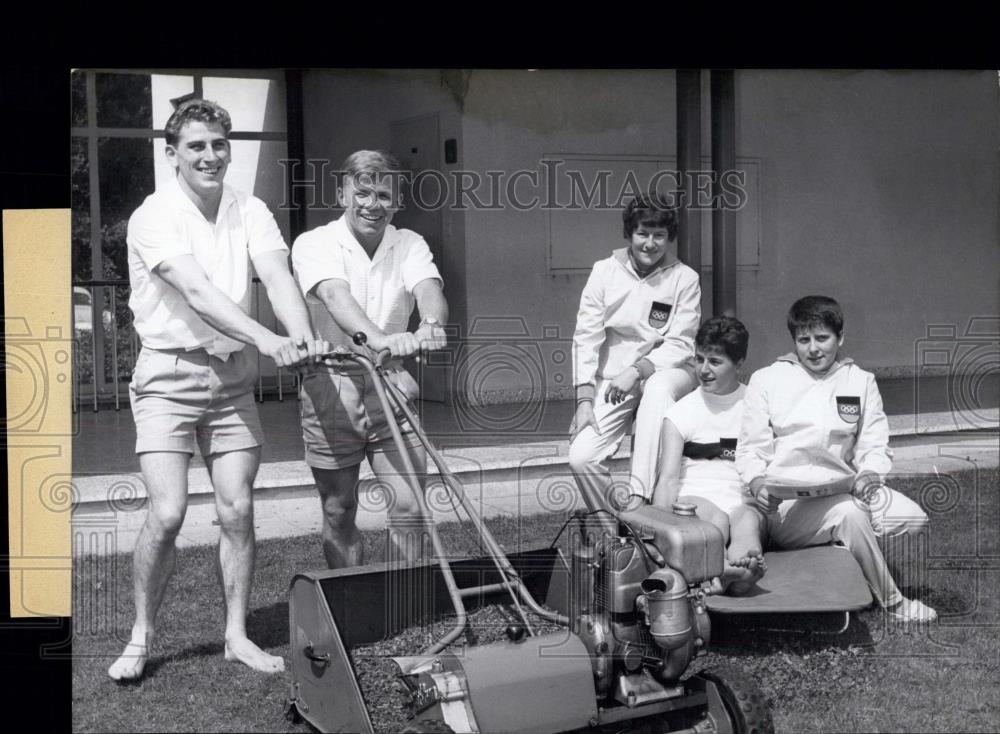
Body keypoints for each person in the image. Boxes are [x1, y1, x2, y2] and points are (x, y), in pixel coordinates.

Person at [109, 99, 327, 681]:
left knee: (238, 509)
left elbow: (279, 275)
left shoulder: (249, 207)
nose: (210, 156)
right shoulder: (153, 215)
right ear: (173, 153)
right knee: (170, 511)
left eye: (219, 145)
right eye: (197, 145)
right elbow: (199, 294)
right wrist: (268, 339)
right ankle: (141, 636)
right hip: (167, 375)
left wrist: (302, 339)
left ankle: (236, 635)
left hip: (231, 381)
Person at [736, 295, 937, 622]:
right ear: (794, 342)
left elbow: (874, 443)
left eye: (822, 338)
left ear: (840, 338)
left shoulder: (860, 381)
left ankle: (848, 560)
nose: (813, 348)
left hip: (847, 489)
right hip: (787, 507)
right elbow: (749, 449)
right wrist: (758, 482)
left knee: (910, 518)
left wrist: (869, 474)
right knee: (849, 516)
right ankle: (894, 602)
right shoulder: (767, 379)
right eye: (804, 340)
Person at [291, 150, 448, 568]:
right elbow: (334, 296)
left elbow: (428, 287)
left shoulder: (409, 243)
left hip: (391, 384)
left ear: (397, 202)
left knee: (411, 507)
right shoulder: (315, 243)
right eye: (362, 193)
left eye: (384, 195)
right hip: (332, 383)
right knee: (339, 511)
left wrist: (430, 324)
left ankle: (406, 604)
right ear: (343, 192)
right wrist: (381, 340)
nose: (372, 204)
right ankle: (352, 601)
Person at [569, 193, 700, 509]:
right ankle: (617, 528)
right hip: (615, 381)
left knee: (656, 387)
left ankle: (640, 500)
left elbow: (681, 342)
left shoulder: (685, 278)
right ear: (630, 233)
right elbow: (586, 336)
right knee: (581, 458)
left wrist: (638, 369)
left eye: (659, 235)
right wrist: (585, 400)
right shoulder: (604, 271)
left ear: (669, 237)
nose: (650, 243)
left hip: (669, 373)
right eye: (643, 233)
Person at [652, 316, 766, 595]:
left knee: (746, 521)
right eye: (699, 359)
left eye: (715, 362)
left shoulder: (756, 405)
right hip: (697, 498)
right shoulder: (682, 411)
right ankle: (722, 568)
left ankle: (740, 570)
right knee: (714, 520)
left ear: (739, 363)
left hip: (740, 497)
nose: (704, 370)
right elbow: (667, 480)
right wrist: (661, 531)